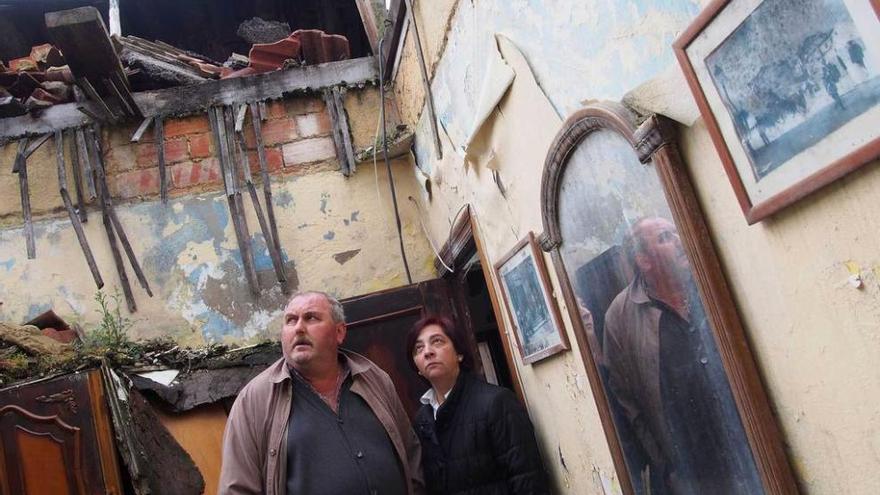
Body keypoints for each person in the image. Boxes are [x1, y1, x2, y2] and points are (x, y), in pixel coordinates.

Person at [603, 217, 760, 494]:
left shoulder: (710, 275)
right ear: (645, 260)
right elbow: (628, 404)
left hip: (753, 443)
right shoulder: (620, 316)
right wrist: (665, 465)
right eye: (665, 237)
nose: (679, 241)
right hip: (696, 470)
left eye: (676, 232)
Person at [218, 291, 425, 495]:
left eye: (311, 318)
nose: (299, 328)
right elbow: (236, 489)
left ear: (339, 332)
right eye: (291, 320)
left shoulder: (374, 378)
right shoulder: (254, 400)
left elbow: (410, 453)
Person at [405, 316, 549, 495]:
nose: (427, 352)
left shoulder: (497, 403)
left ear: (459, 353)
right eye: (419, 348)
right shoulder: (422, 420)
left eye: (437, 341)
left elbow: (528, 481)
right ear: (417, 366)